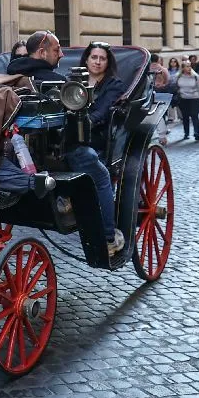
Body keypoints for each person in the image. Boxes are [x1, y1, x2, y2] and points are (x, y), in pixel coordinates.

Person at [66, 42, 126, 255]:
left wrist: (84, 122)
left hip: (97, 138)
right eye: (94, 57)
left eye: (102, 58)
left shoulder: (113, 84)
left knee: (101, 178)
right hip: (71, 136)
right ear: (86, 59)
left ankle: (108, 235)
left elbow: (103, 111)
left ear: (108, 62)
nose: (98, 62)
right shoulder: (73, 81)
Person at [174, 60, 199, 141]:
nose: (189, 68)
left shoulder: (195, 76)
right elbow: (175, 87)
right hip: (183, 99)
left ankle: (196, 133)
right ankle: (186, 133)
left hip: (194, 98)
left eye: (190, 66)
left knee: (194, 115)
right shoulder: (178, 76)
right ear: (183, 68)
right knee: (185, 117)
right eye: (187, 66)